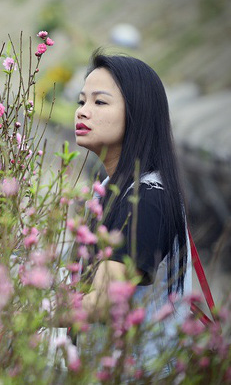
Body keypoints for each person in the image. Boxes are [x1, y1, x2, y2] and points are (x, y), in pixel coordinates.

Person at [72, 50, 192, 373]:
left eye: (100, 102)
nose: (83, 112)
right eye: (81, 101)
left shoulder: (148, 198)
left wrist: (22, 309)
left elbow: (101, 305)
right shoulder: (116, 187)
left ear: (137, 114)